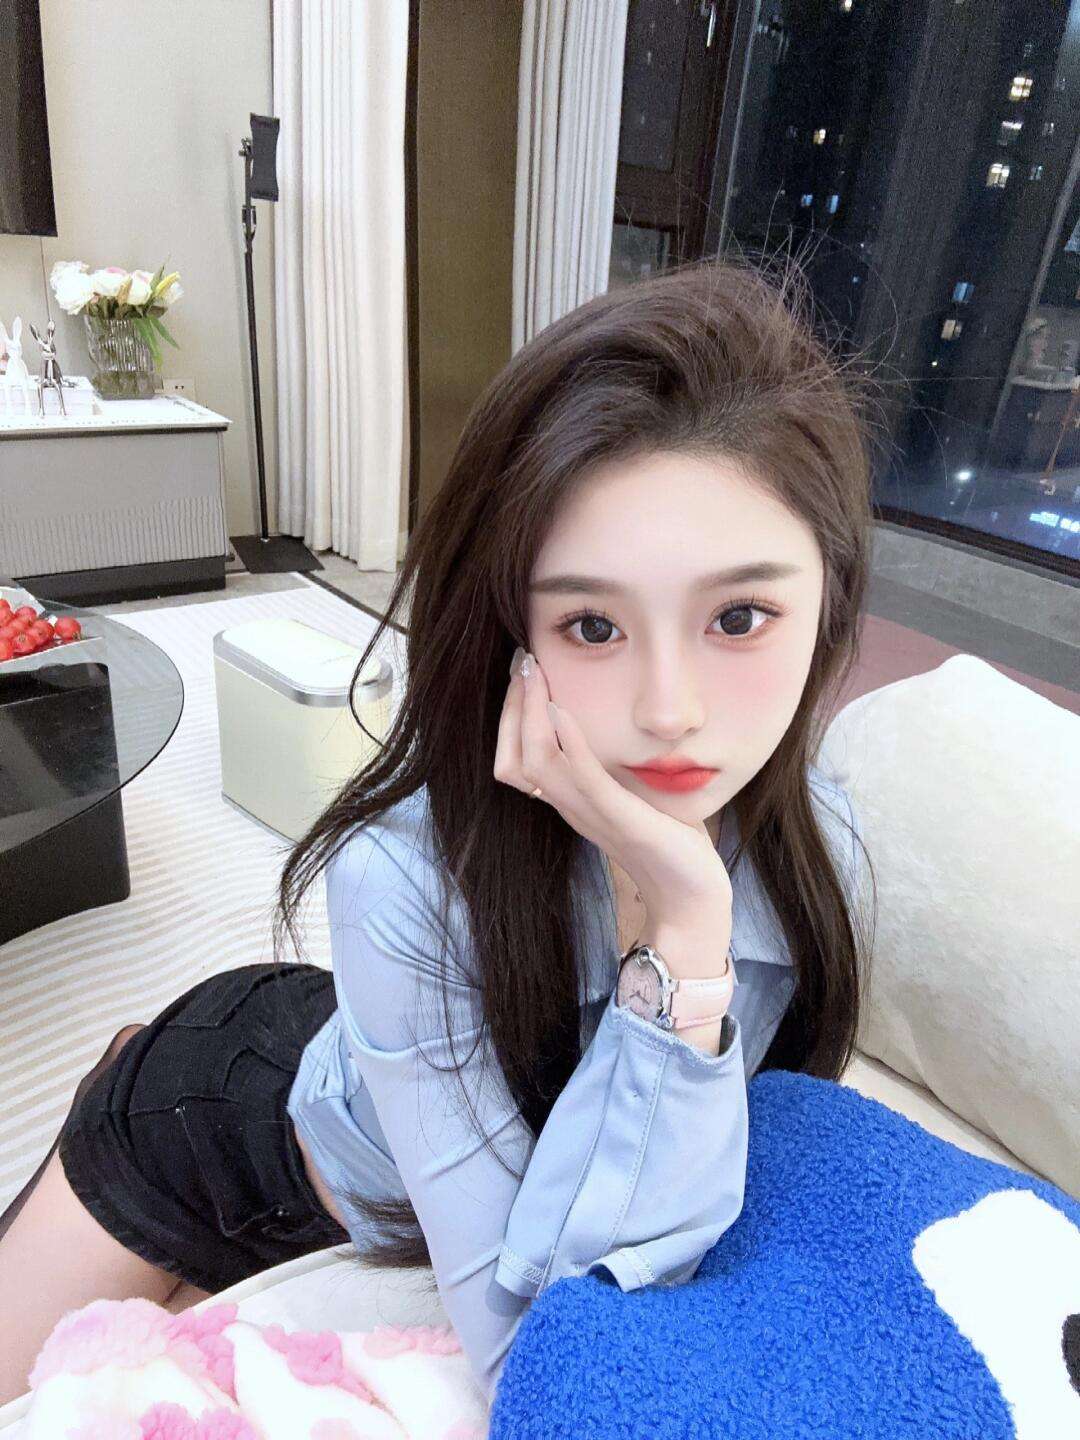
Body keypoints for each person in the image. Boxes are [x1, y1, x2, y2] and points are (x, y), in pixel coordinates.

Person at [0, 255, 878, 1408]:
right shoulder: (406, 877)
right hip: (221, 1137)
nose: (671, 710)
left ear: (830, 607)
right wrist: (685, 933)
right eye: (593, 625)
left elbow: (631, 1285)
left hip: (385, 1077)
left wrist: (688, 923)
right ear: (515, 635)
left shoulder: (824, 849)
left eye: (741, 616)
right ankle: (132, 1069)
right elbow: (533, 1357)